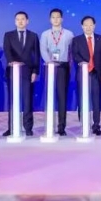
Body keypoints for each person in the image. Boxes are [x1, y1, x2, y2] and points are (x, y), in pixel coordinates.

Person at [2, 11, 40, 137]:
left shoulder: (33, 36)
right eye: (18, 19)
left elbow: (37, 55)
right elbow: (7, 51)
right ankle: (11, 127)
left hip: (28, 72)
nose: (20, 21)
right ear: (15, 21)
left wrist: (35, 71)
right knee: (13, 100)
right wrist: (12, 62)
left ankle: (28, 127)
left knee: (28, 100)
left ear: (27, 21)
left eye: (23, 19)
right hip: (13, 71)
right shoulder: (8, 35)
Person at [71, 16, 101, 136]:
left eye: (90, 25)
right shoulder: (76, 40)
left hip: (96, 74)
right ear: (82, 26)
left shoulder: (100, 39)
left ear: (94, 26)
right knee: (82, 99)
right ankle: (84, 124)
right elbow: (75, 55)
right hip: (82, 73)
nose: (88, 27)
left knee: (96, 100)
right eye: (86, 25)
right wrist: (83, 63)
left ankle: (96, 126)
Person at [39, 8, 75, 136]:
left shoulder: (69, 34)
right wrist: (49, 62)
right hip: (49, 67)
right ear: (50, 19)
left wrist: (69, 66)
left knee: (62, 97)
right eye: (53, 17)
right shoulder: (45, 34)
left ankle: (61, 127)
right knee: (49, 96)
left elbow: (72, 52)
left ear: (62, 19)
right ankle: (49, 125)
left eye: (58, 17)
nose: (55, 19)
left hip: (63, 67)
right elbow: (43, 50)